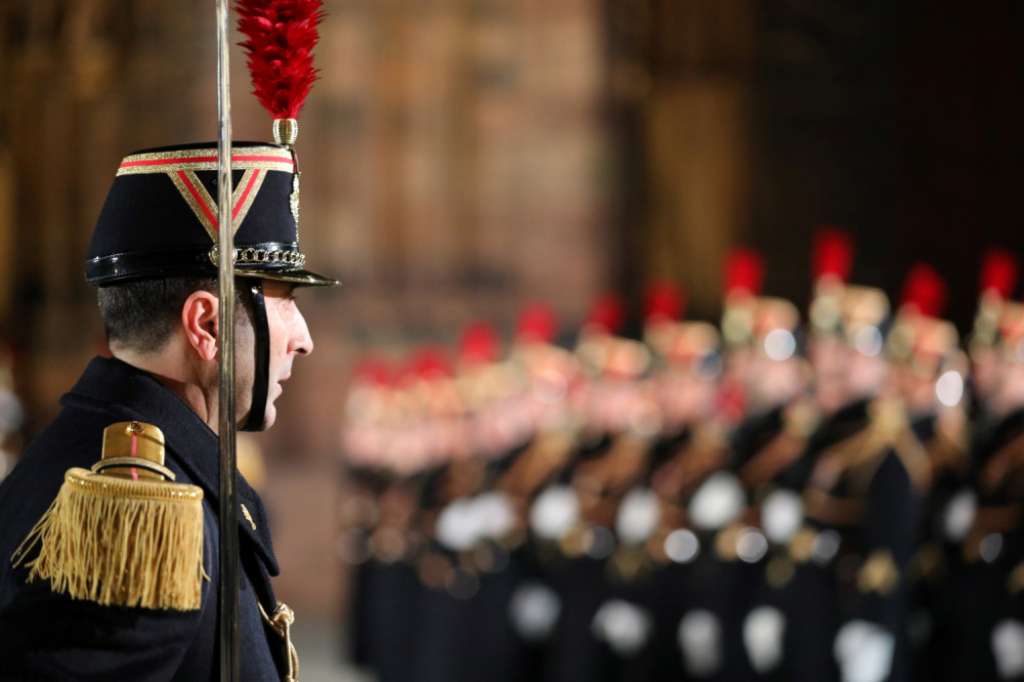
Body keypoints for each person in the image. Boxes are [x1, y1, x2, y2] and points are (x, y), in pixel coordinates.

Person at [0, 135, 336, 680]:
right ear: (207, 325)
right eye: (287, 303)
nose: (304, 339)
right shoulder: (137, 504)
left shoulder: (97, 451)